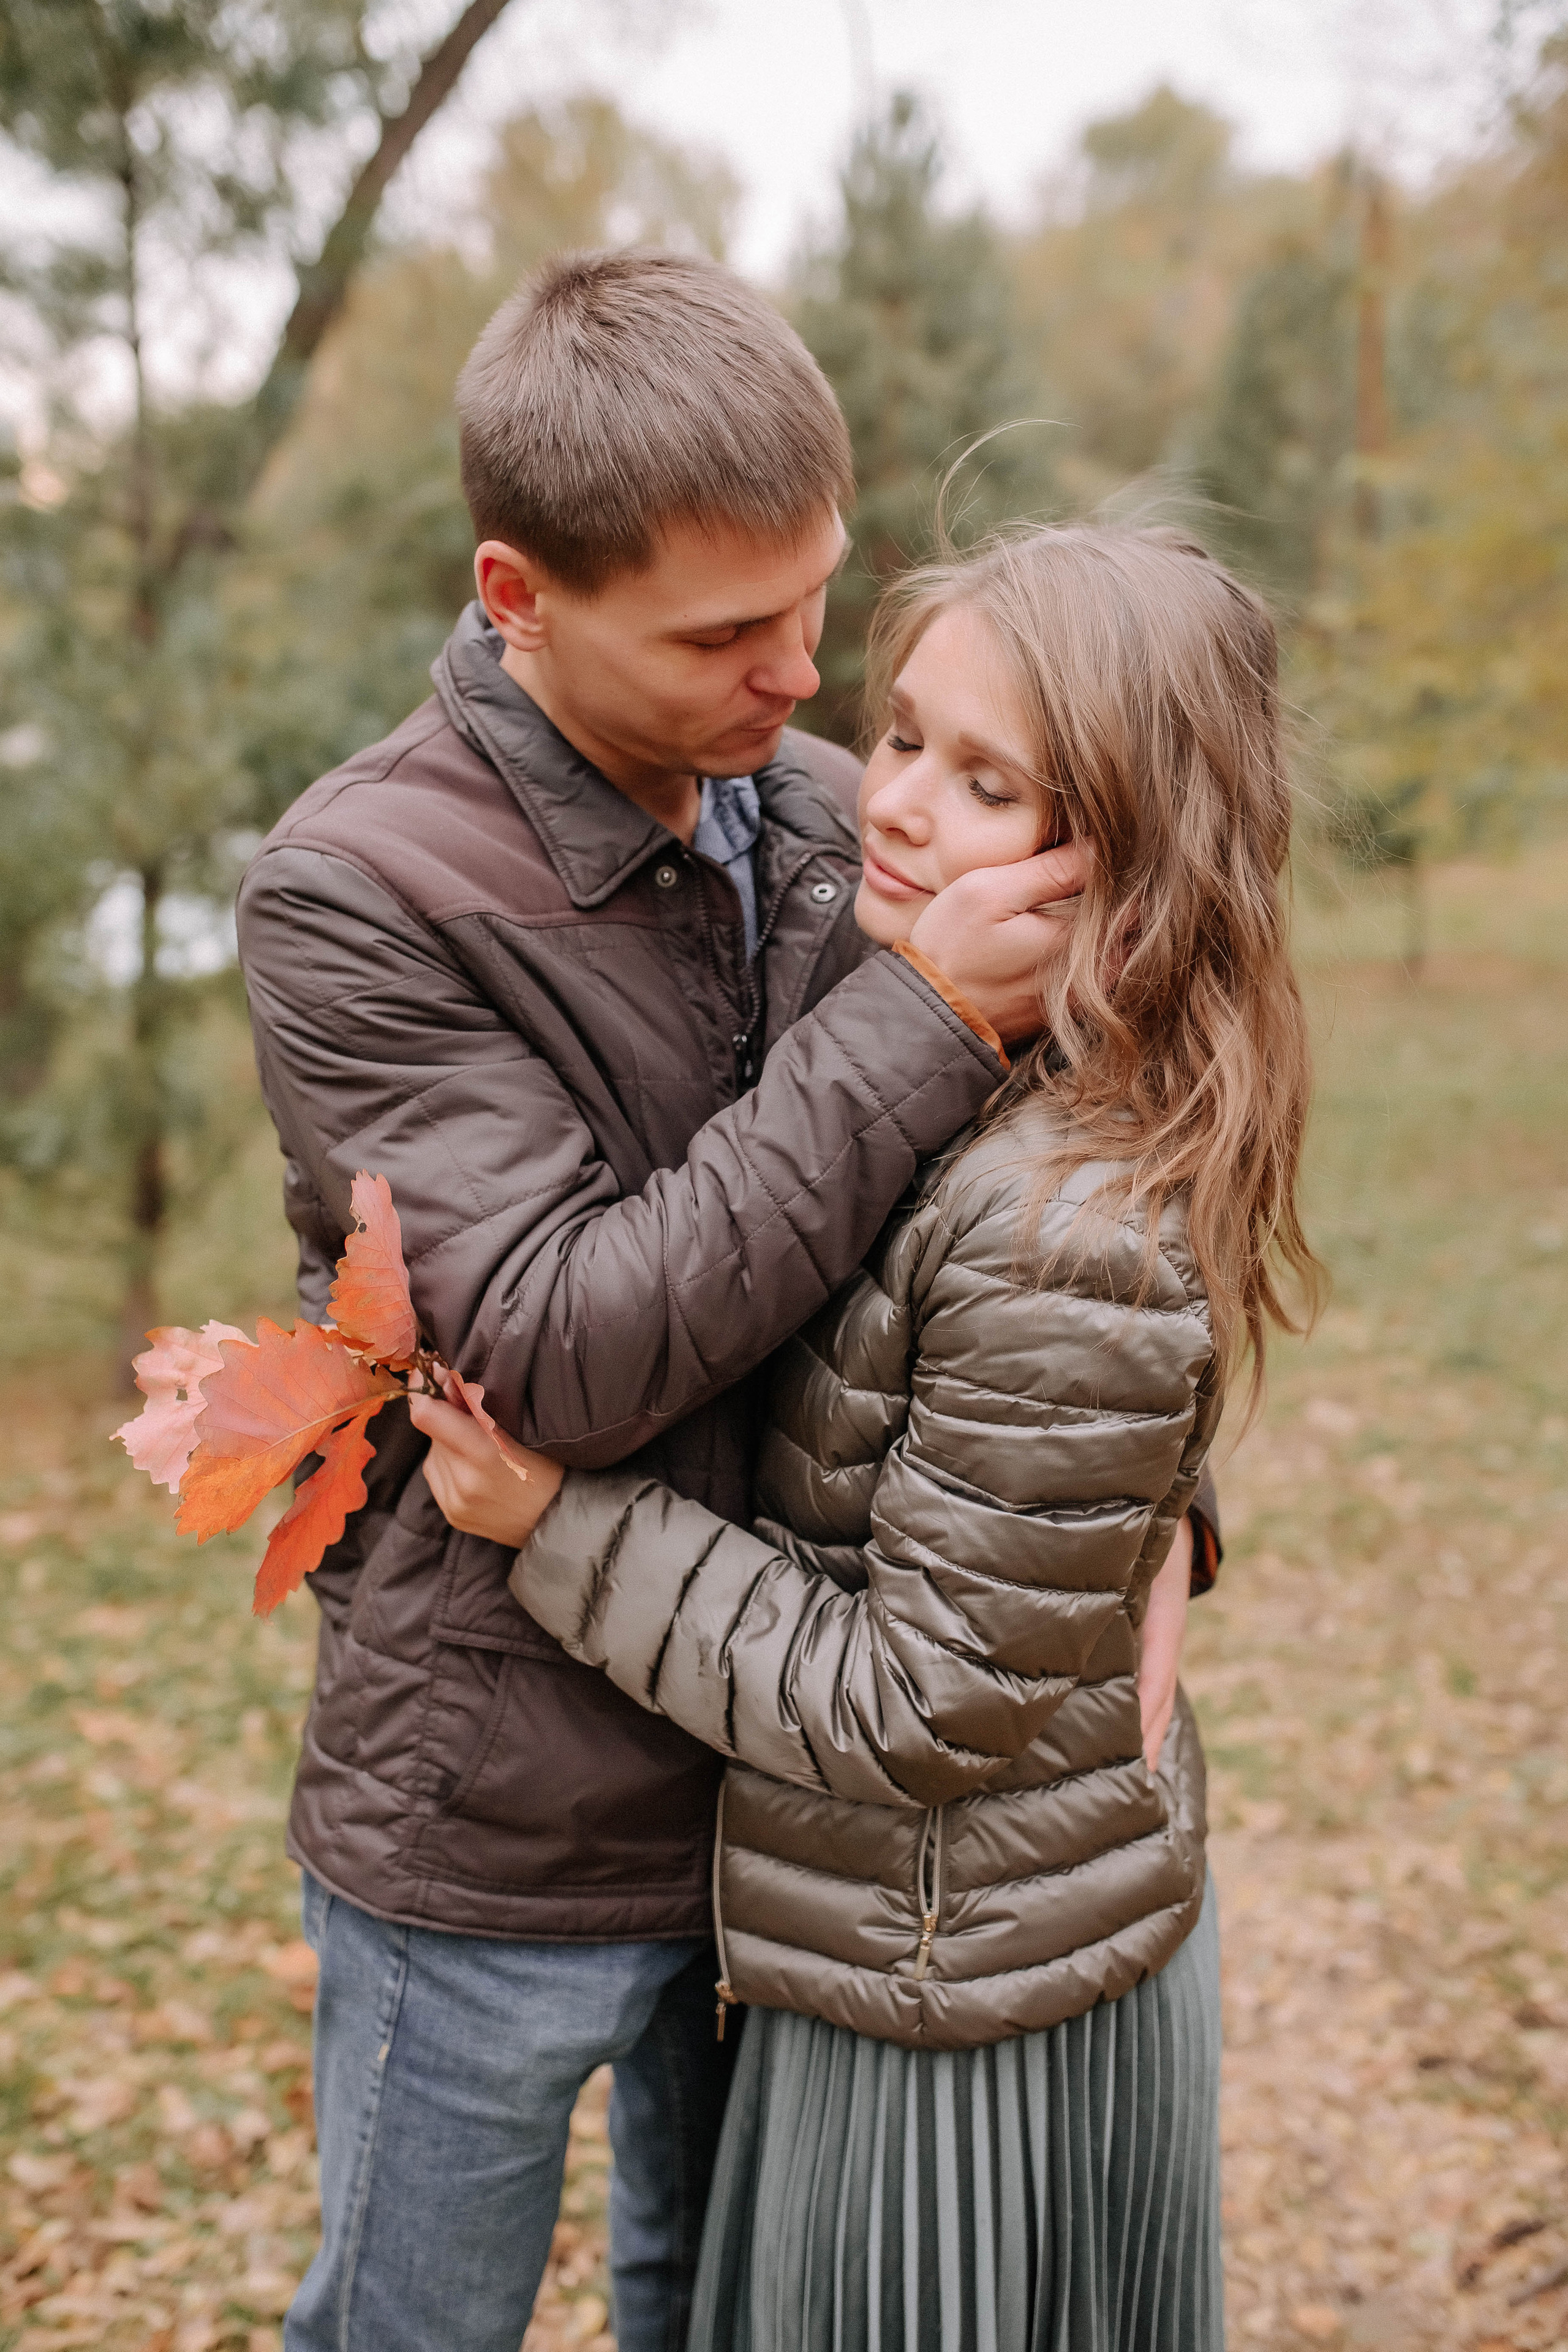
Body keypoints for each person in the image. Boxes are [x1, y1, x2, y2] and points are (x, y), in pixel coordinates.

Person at [238, 247, 1129, 2352]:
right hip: (496, 1817)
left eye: (818, 601)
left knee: (723, 2311)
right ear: (517, 593)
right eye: (728, 633)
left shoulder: (825, 814)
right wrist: (917, 1018)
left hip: (791, 1799)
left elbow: (1065, 1214)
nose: (806, 682)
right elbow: (557, 1352)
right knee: (411, 2324)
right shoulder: (361, 890)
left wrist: (1155, 1505)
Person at [412, 519, 1321, 2350]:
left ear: (1122, 870)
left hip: (949, 1991)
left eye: (990, 782)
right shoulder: (979, 1051)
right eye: (905, 735)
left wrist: (552, 1523)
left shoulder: (1057, 1205)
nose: (888, 803)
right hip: (915, 1937)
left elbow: (915, 1702)